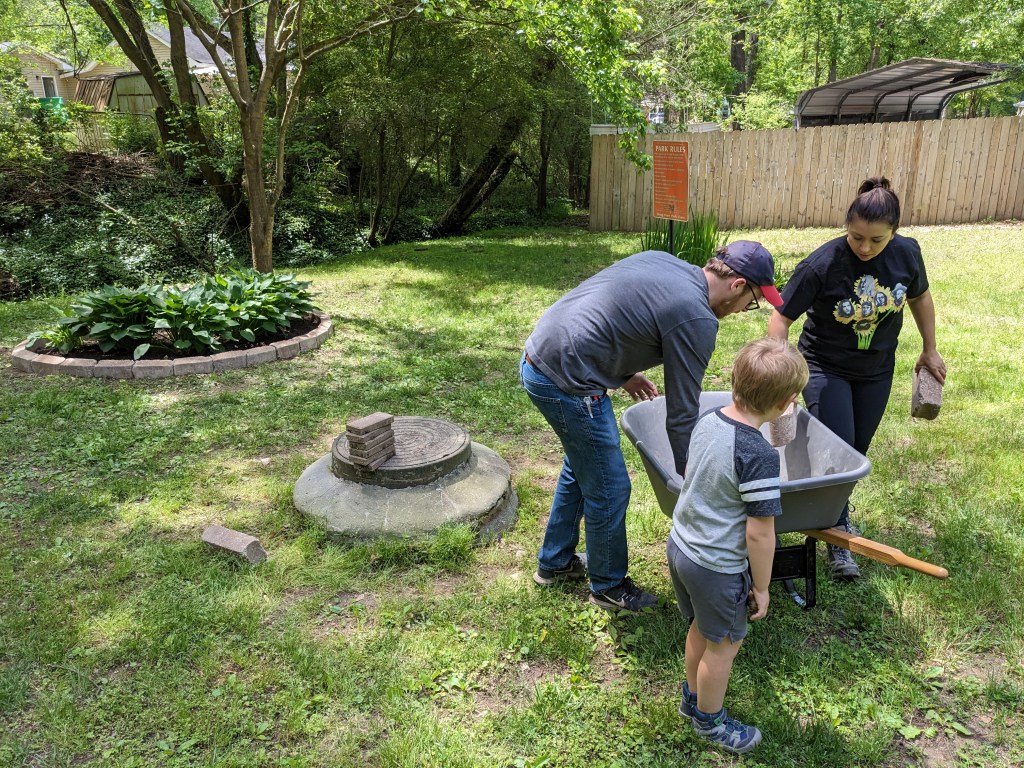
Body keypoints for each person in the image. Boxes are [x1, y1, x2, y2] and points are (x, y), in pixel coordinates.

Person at [521, 241, 784, 611]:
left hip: (541, 353)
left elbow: (613, 313)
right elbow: (682, 411)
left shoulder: (663, 262)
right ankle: (608, 586)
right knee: (610, 486)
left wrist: (623, 371)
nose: (744, 310)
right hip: (567, 379)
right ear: (737, 285)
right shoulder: (697, 317)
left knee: (584, 467)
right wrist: (694, 476)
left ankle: (556, 562)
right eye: (751, 302)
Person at [767, 176, 946, 579]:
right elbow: (780, 317)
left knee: (856, 451)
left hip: (877, 370)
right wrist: (782, 371)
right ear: (847, 225)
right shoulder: (823, 263)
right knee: (839, 449)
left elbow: (919, 296)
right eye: (856, 237)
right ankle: (837, 535)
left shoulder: (907, 254)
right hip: (824, 366)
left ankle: (828, 514)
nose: (864, 248)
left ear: (894, 232)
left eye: (876, 240)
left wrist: (929, 348)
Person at [668, 336, 809, 754]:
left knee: (701, 627)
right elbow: (760, 533)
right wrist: (762, 587)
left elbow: (694, 474)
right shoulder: (758, 454)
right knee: (724, 647)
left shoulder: (708, 419)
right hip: (716, 567)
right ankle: (710, 723)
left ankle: (692, 699)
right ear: (786, 403)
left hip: (682, 546)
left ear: (734, 382)